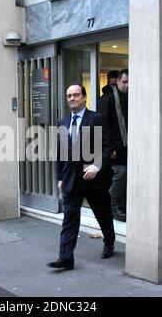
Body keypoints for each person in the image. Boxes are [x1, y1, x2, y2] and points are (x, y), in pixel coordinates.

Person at [47, 84, 116, 271]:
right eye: (69, 95)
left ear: (84, 97)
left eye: (76, 95)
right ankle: (65, 258)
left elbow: (109, 147)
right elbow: (60, 154)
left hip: (94, 180)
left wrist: (97, 165)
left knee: (103, 216)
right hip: (70, 182)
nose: (72, 98)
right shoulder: (62, 122)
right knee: (69, 219)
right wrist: (60, 177)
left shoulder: (97, 119)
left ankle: (109, 241)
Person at [106, 69, 129, 222]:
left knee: (125, 175)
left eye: (129, 83)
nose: (127, 85)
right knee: (120, 174)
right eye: (125, 82)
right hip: (116, 146)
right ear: (118, 81)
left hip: (127, 145)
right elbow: (103, 125)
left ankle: (121, 205)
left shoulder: (129, 98)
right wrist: (111, 147)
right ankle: (112, 206)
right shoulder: (108, 99)